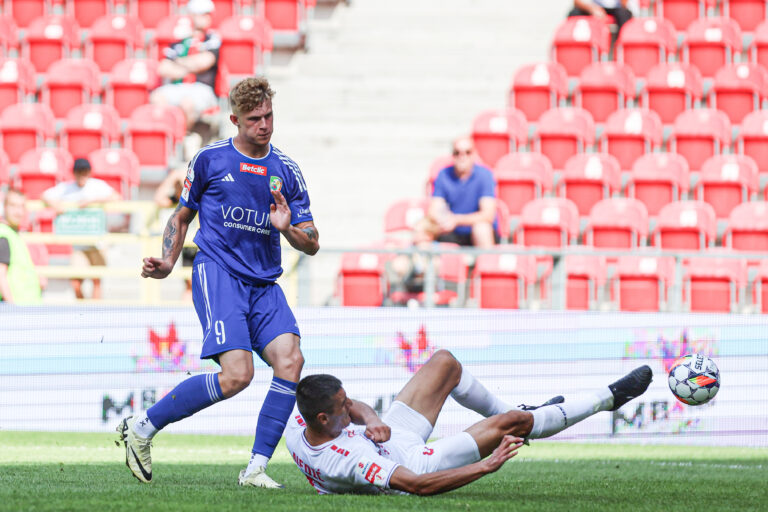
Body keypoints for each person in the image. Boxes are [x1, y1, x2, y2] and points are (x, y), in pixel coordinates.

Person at [118, 77, 319, 489]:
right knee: (237, 375)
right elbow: (181, 217)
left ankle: (256, 469)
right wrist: (169, 262)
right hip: (218, 272)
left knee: (291, 362)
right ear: (235, 120)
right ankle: (142, 426)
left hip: (264, 283)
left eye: (268, 116)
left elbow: (312, 242)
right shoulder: (210, 160)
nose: (263, 125)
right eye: (253, 119)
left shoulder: (286, 170)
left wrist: (288, 230)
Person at [287, 350, 652, 495]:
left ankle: (524, 411)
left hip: (390, 437)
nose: (349, 406)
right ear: (323, 418)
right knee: (513, 423)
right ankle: (608, 398)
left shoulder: (299, 426)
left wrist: (370, 417)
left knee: (444, 362)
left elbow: (352, 408)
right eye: (343, 406)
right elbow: (417, 485)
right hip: (413, 461)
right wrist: (485, 466)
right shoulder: (348, 460)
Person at [42, 157, 121, 300]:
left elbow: (116, 197)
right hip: (79, 244)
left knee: (96, 281)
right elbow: (45, 195)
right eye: (79, 171)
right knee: (76, 283)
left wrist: (92, 201)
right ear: (74, 172)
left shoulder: (97, 186)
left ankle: (93, 313)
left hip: (97, 242)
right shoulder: (67, 188)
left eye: (85, 171)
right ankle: (83, 311)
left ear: (89, 172)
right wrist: (56, 205)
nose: (82, 175)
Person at [150, 0, 221, 137]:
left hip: (201, 88)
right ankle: (168, 138)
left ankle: (182, 139)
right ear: (193, 15)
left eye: (208, 14)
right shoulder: (179, 42)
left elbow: (205, 61)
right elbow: (163, 68)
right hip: (178, 87)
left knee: (186, 103)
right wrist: (191, 66)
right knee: (157, 98)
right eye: (202, 14)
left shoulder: (211, 39)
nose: (207, 18)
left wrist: (178, 63)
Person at [416, 136, 499, 248]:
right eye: (457, 152)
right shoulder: (444, 174)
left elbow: (488, 215)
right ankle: (421, 263)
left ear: (474, 154)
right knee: (423, 229)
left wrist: (457, 220)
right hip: (452, 232)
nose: (462, 157)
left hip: (477, 233)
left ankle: (487, 264)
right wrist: (443, 220)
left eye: (467, 152)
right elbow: (434, 209)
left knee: (481, 228)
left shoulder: (485, 175)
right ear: (453, 155)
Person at [153, 167, 198, 302]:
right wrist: (173, 177)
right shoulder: (174, 201)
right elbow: (159, 199)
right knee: (189, 284)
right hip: (187, 244)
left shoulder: (200, 197)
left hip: (199, 242)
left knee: (195, 284)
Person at [0, 189, 42, 304]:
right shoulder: (3, 236)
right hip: (16, 313)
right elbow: (1, 276)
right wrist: (12, 309)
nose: (18, 211)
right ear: (5, 207)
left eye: (21, 206)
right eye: (13, 206)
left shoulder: (14, 234)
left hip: (26, 310)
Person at [568, 1, 633, 35]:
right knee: (574, 13)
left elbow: (624, 5)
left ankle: (622, 48)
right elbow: (577, 2)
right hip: (593, 7)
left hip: (616, 9)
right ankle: (577, 47)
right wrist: (592, 9)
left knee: (625, 14)